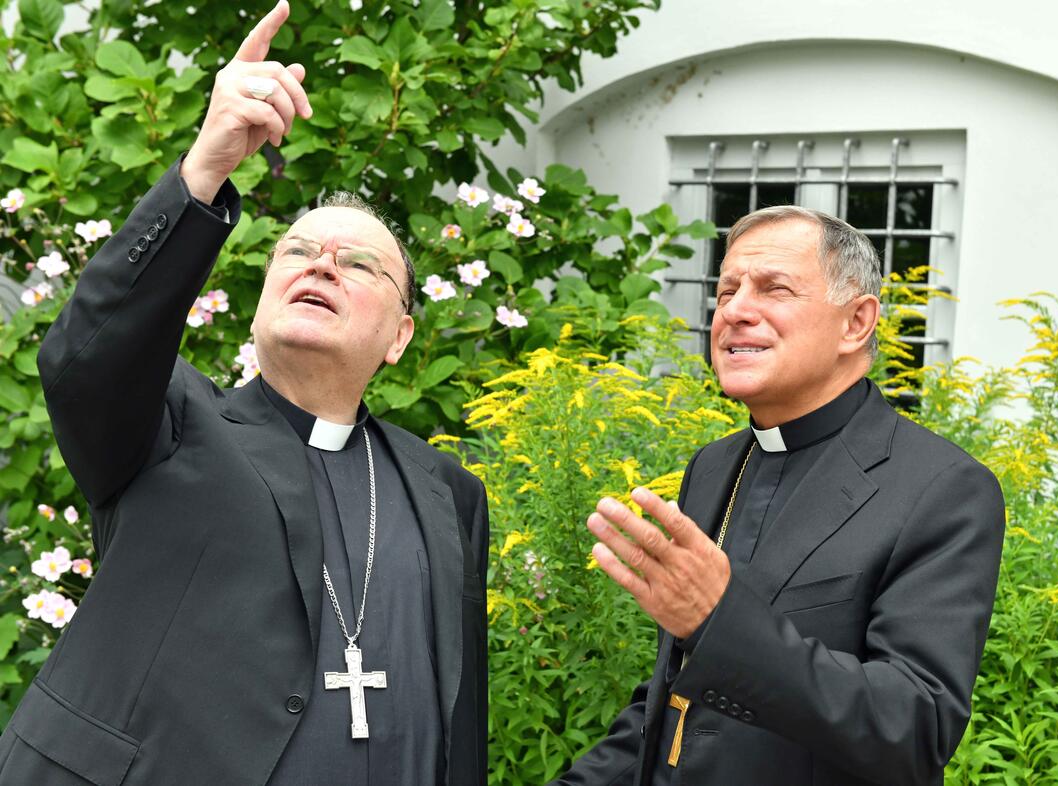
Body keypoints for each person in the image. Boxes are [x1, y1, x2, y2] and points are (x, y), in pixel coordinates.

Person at [0, 3, 488, 784]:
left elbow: (460, 713)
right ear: (260, 300)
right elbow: (83, 360)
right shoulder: (165, 424)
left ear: (400, 336)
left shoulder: (447, 492)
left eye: (358, 263)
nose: (321, 263)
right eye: (296, 251)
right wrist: (206, 167)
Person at [554, 205, 1005, 785]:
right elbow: (672, 704)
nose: (735, 311)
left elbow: (914, 726)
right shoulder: (714, 466)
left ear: (856, 323)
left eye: (774, 289)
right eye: (728, 290)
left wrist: (723, 624)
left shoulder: (941, 488)